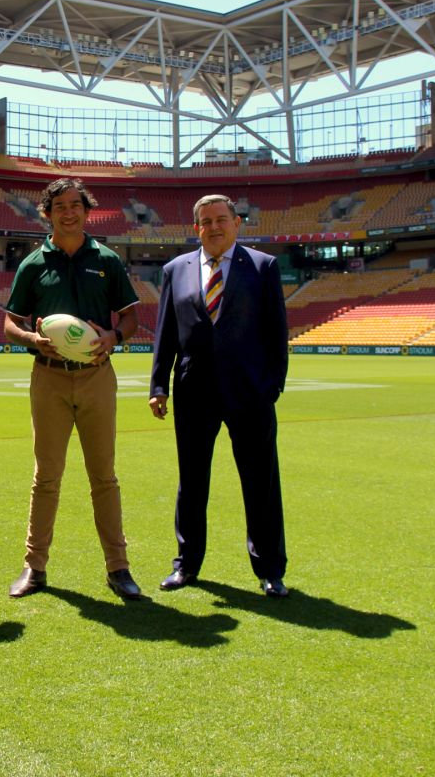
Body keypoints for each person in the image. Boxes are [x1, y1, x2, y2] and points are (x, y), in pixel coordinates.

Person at [2, 177, 145, 601]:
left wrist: (114, 338)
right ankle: (35, 567)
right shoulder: (33, 264)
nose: (69, 212)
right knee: (46, 476)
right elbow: (10, 324)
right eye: (59, 206)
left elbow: (132, 320)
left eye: (76, 205)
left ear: (87, 210)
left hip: (97, 376)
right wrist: (30, 339)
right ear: (47, 213)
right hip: (48, 376)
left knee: (104, 476)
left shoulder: (107, 259)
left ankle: (118, 568)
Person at [148, 193, 291, 597]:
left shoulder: (263, 267)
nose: (214, 226)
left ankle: (270, 570)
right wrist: (158, 385)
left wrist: (272, 386)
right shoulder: (176, 269)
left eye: (221, 219)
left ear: (237, 222)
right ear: (197, 228)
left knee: (260, 482)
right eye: (206, 221)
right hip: (193, 391)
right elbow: (166, 334)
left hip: (250, 394)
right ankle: (186, 565)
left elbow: (276, 332)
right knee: (192, 482)